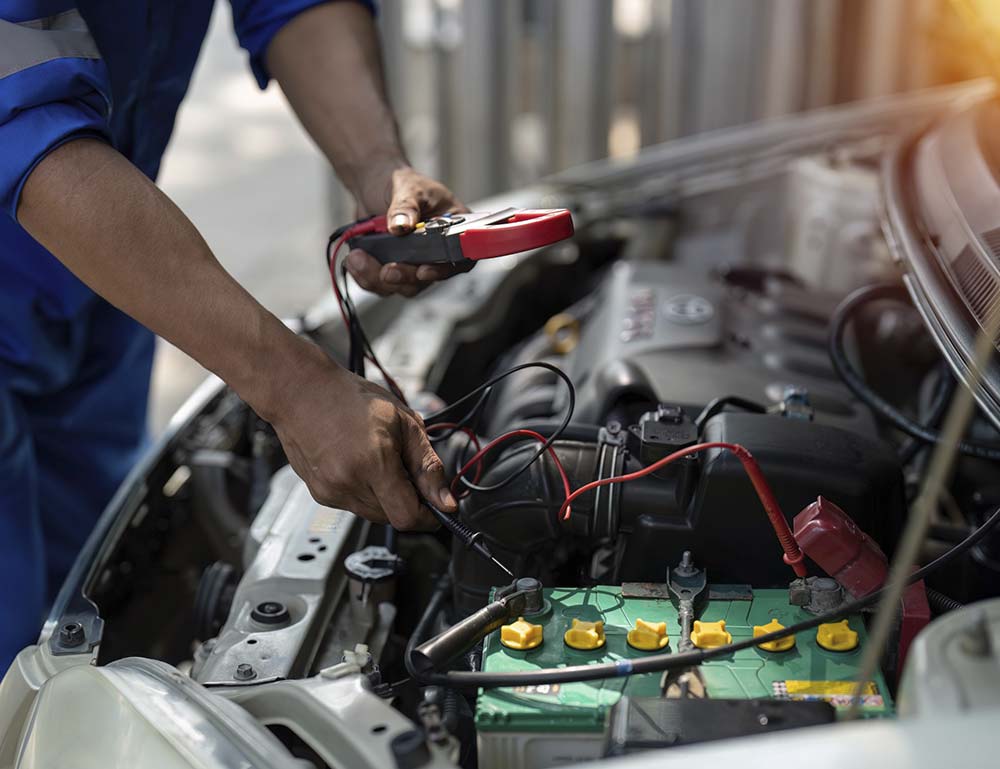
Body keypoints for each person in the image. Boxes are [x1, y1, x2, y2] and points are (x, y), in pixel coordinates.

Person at [0, 0, 465, 672]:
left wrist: (376, 166)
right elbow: (18, 109)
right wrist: (296, 385)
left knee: (89, 612)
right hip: (67, 216)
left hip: (107, 276)